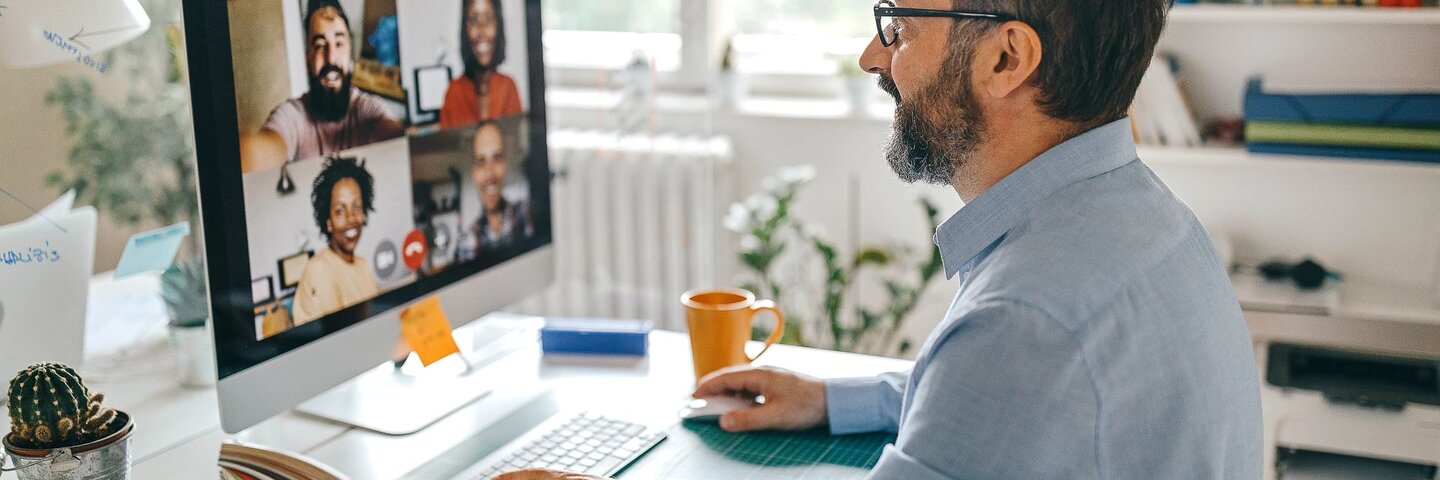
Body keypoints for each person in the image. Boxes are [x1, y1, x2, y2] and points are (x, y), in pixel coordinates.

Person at [497, 0, 1262, 479]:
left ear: (1005, 58)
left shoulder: (1026, 323)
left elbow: (1019, 372)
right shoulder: (1147, 221)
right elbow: (1024, 411)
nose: (872, 56)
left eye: (897, 27)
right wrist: (840, 399)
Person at [241, 0, 404, 173]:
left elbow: (394, 137)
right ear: (307, 57)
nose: (331, 58)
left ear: (350, 53)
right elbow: (262, 151)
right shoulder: (292, 117)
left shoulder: (367, 109)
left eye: (339, 44)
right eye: (320, 46)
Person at [292, 156, 380, 325]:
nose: (351, 218)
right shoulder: (319, 270)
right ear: (328, 223)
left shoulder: (362, 265)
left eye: (356, 207)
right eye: (340, 211)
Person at [438, 0, 524, 129]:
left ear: (498, 26)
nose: (482, 30)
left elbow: (516, 145)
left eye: (489, 18)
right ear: (465, 29)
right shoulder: (454, 92)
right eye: (473, 20)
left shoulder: (508, 87)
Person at [457, 121, 531, 262]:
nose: (490, 174)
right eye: (480, 161)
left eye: (497, 158)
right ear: (473, 172)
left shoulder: (528, 215)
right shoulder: (466, 241)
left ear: (505, 163)